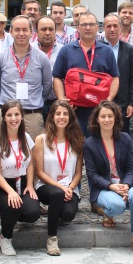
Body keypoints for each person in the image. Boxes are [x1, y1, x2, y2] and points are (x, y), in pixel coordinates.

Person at [83, 101, 133, 255]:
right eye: (103, 116)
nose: (106, 120)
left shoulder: (124, 139)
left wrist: (126, 184)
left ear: (116, 118)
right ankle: (106, 211)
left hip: (125, 184)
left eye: (110, 116)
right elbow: (92, 175)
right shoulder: (89, 143)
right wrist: (111, 187)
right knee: (116, 206)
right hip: (104, 187)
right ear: (97, 119)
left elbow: (131, 168)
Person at [0, 100, 41, 256]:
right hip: (0, 187)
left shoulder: (26, 138)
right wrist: (10, 192)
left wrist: (30, 185)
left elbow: (30, 165)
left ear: (22, 117)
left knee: (32, 213)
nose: (13, 118)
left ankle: (13, 215)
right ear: (3, 118)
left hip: (21, 182)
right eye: (9, 115)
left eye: (17, 114)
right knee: (13, 205)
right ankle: (5, 237)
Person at [53, 11, 120, 135]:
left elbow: (115, 77)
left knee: (98, 148)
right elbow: (57, 77)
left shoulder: (107, 51)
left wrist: (109, 100)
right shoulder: (66, 50)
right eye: (84, 25)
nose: (88, 28)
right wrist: (62, 100)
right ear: (77, 27)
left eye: (91, 24)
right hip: (75, 111)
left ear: (97, 27)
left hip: (100, 111)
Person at [34, 100, 84, 255]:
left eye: (65, 114)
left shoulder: (77, 140)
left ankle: (58, 213)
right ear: (52, 117)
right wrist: (61, 187)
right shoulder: (41, 139)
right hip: (46, 186)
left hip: (69, 188)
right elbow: (39, 171)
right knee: (57, 194)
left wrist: (69, 187)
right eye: (58, 114)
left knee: (68, 214)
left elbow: (78, 173)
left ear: (70, 117)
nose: (61, 117)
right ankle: (52, 238)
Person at [0, 15, 53, 139]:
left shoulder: (41, 58)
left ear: (31, 32)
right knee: (3, 153)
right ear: (11, 32)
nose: (21, 33)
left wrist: (34, 100)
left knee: (34, 155)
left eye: (25, 30)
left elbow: (47, 87)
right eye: (17, 30)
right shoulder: (0, 57)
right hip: (6, 115)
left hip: (32, 116)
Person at [101, 13, 133, 135]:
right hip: (100, 101)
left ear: (120, 28)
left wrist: (132, 103)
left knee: (121, 137)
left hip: (122, 103)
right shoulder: (97, 48)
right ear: (103, 28)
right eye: (109, 26)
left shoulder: (128, 49)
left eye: (115, 26)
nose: (112, 29)